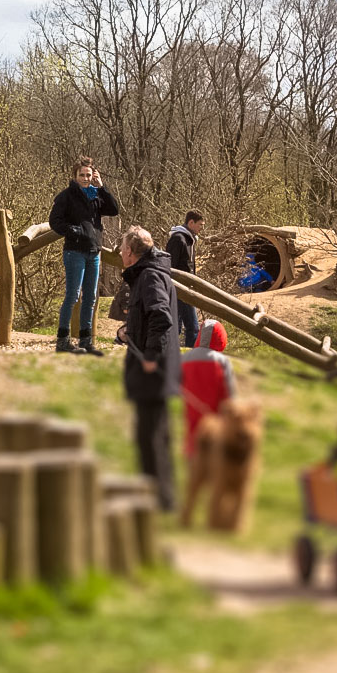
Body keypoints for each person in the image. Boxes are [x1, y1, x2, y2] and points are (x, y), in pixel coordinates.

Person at [118, 226, 180, 511]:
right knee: (156, 435)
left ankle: (157, 501)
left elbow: (161, 317)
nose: (119, 253)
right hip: (155, 366)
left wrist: (152, 355)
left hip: (153, 369)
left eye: (121, 249)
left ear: (131, 252)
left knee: (150, 437)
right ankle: (162, 498)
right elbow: (148, 317)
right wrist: (127, 332)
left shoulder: (150, 275)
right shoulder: (148, 273)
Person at [48, 157, 120, 355]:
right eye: (82, 175)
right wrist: (73, 230)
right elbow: (55, 221)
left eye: (89, 175)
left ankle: (86, 341)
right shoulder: (66, 196)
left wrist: (102, 187)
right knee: (73, 296)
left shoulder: (96, 195)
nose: (86, 178)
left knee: (90, 298)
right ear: (75, 176)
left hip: (93, 252)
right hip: (74, 252)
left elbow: (114, 210)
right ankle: (62, 341)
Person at [179, 319, 237, 457]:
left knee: (193, 445)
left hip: (192, 412)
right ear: (220, 337)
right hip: (216, 416)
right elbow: (230, 391)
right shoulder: (222, 361)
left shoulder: (185, 358)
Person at [167, 211, 205, 348]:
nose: (201, 228)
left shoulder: (190, 239)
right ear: (191, 223)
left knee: (176, 327)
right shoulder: (178, 239)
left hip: (186, 288)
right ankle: (187, 355)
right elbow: (170, 266)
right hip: (178, 290)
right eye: (200, 225)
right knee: (192, 327)